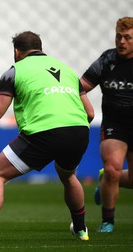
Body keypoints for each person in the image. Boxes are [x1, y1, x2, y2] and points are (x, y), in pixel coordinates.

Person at [0, 31, 94, 245]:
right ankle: (80, 229)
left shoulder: (14, 71)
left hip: (44, 132)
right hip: (79, 131)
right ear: (40, 48)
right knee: (68, 175)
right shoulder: (68, 70)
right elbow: (90, 113)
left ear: (16, 52)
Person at [80, 16, 133, 233]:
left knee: (116, 176)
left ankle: (105, 182)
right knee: (113, 167)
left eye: (127, 38)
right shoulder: (107, 60)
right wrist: (86, 109)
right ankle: (107, 221)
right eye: (119, 37)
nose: (121, 42)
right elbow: (80, 86)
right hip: (115, 125)